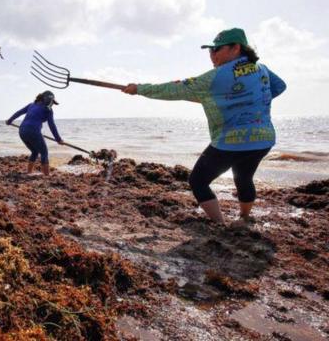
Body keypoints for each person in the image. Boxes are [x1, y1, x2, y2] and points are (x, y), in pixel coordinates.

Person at [120, 28, 286, 223]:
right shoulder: (262, 69)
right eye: (210, 50)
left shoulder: (215, 77)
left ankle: (219, 224)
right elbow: (279, 86)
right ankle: (244, 218)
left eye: (216, 49)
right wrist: (247, 101)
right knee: (243, 177)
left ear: (236, 48)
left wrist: (138, 89)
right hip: (263, 139)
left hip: (231, 141)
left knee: (198, 181)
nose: (212, 54)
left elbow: (174, 89)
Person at [6, 90, 64, 176]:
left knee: (35, 151)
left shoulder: (31, 105)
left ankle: (29, 173)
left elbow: (19, 112)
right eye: (52, 102)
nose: (52, 104)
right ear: (47, 100)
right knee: (44, 152)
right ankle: (46, 175)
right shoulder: (48, 110)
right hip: (33, 131)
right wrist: (58, 139)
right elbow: (52, 125)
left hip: (22, 131)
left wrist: (10, 120)